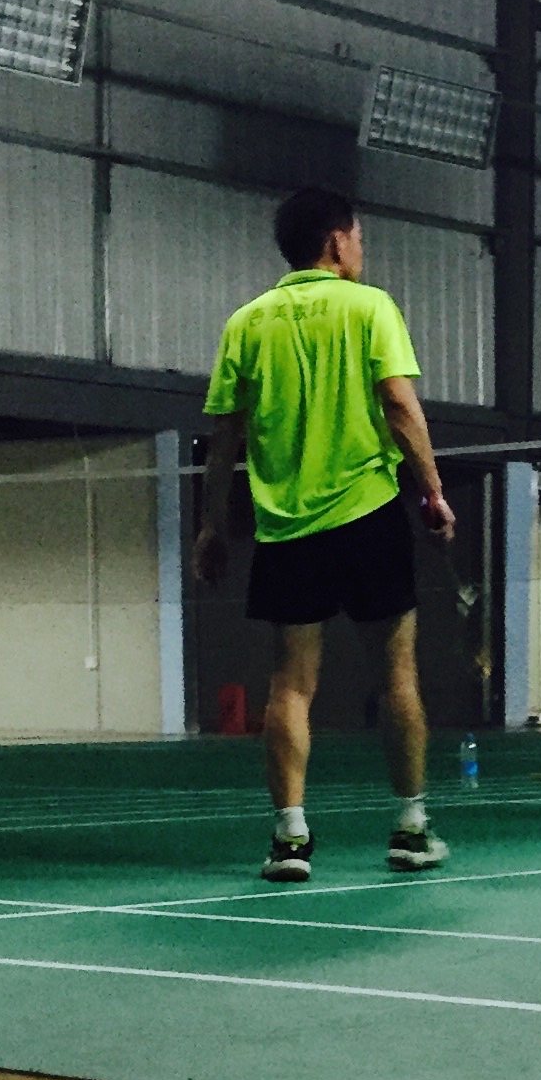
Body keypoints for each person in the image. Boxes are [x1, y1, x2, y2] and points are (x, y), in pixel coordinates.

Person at [194, 185, 458, 882]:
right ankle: (410, 827)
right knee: (397, 672)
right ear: (337, 241)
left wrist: (212, 526)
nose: (362, 250)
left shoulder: (247, 323)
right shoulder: (369, 308)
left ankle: (289, 839)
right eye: (360, 238)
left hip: (286, 530)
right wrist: (431, 490)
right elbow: (399, 405)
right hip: (369, 514)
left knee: (290, 686)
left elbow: (224, 437)